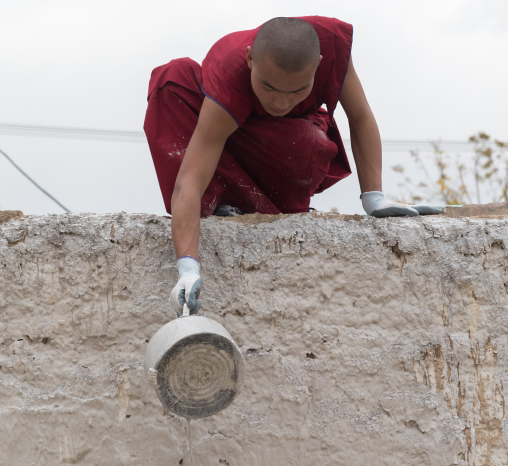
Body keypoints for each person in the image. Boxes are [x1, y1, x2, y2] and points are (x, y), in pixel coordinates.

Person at [144, 16, 441, 316]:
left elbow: (360, 116)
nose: (280, 103)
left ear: (319, 64)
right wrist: (188, 268)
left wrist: (374, 196)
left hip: (285, 146)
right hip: (226, 135)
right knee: (173, 78)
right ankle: (221, 201)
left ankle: (262, 203)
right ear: (249, 59)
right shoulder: (228, 71)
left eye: (297, 91)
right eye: (269, 87)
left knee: (308, 142)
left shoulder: (332, 46)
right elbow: (189, 181)